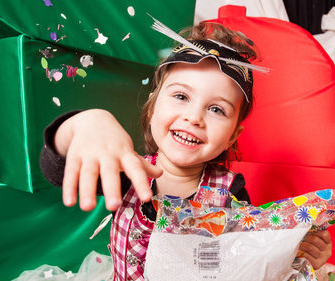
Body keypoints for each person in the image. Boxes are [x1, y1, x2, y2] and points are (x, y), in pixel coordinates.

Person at [40, 21, 332, 280]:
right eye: (181, 96)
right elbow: (56, 168)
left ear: (233, 136)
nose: (194, 117)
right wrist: (84, 125)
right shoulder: (128, 171)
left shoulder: (231, 193)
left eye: (217, 109)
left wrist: (300, 252)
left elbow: (246, 262)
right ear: (153, 106)